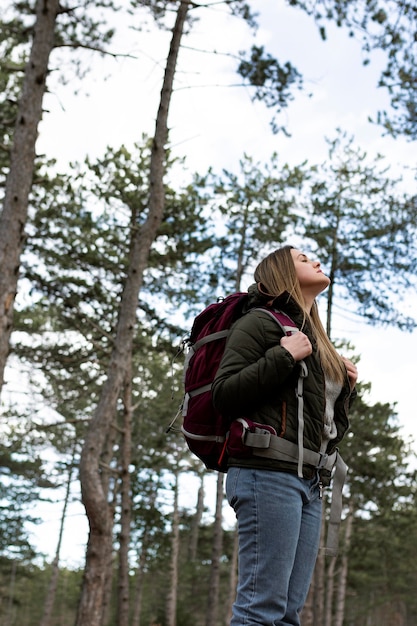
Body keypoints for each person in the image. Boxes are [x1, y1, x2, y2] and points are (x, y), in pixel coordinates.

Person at [212, 245, 357, 626]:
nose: (314, 260)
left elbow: (326, 430)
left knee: (288, 615)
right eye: (302, 258)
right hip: (266, 474)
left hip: (309, 483)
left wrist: (346, 391)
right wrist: (283, 357)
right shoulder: (260, 322)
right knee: (261, 610)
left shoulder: (318, 344)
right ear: (280, 272)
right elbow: (223, 394)